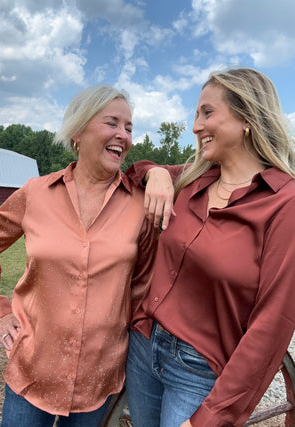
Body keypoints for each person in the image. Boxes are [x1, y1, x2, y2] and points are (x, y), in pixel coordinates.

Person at [0, 85, 158, 427]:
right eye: (112, 123)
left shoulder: (139, 205)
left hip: (98, 378)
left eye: (129, 127)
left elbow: (141, 284)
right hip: (32, 368)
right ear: (78, 131)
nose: (123, 135)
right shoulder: (36, 193)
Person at [125, 68, 295, 427]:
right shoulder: (194, 179)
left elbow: (272, 324)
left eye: (207, 112)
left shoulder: (285, 203)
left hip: (199, 370)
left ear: (246, 118)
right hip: (144, 345)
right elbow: (133, 171)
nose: (195, 126)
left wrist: (213, 417)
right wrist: (156, 171)